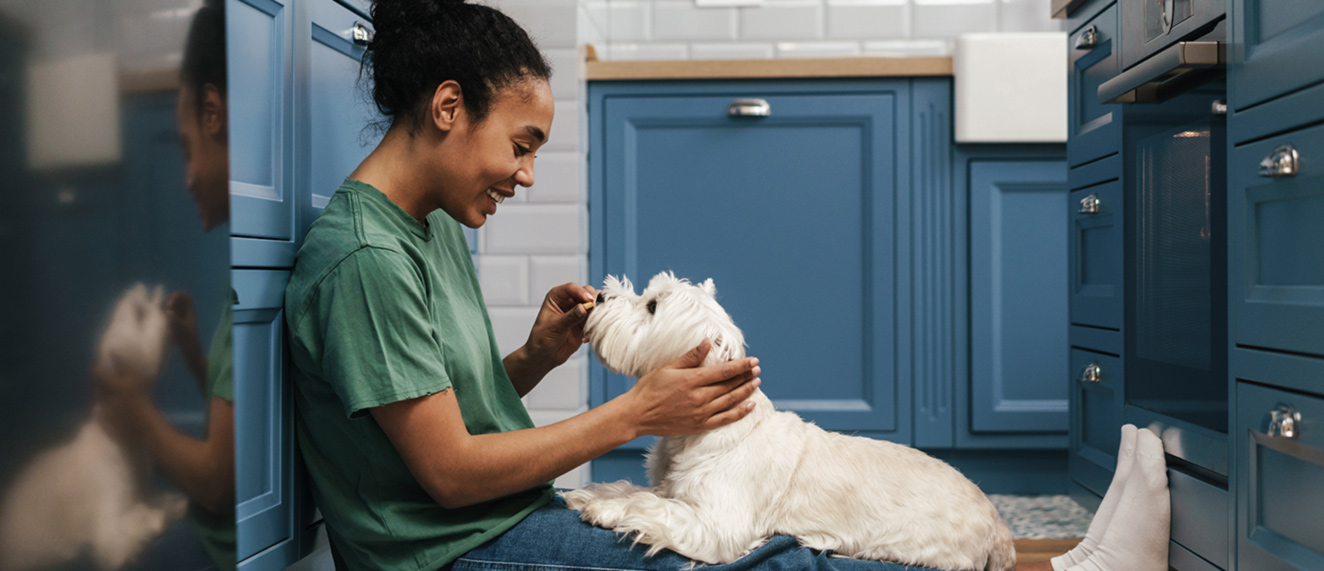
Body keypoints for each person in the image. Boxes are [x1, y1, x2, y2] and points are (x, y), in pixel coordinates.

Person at [284, 2, 1171, 571]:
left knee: (765, 533)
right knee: (765, 563)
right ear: (447, 109)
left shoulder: (431, 223)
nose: (524, 176)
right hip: (449, 550)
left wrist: (530, 359)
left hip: (485, 519)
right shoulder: (366, 258)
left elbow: (431, 409)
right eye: (520, 144)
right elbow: (445, 471)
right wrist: (637, 413)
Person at [94, 1, 237, 568]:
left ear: (213, 113)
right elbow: (243, 422)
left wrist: (137, 415)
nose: (185, 179)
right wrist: (194, 353)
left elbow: (216, 483)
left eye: (185, 149)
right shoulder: (260, 269)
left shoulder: (253, 291)